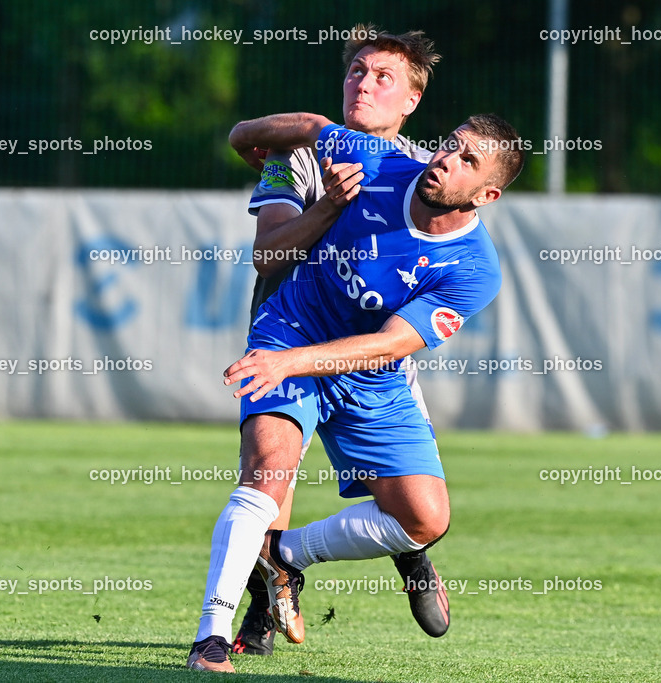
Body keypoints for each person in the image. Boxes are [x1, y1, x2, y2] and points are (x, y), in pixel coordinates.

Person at [187, 111, 525, 673]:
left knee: (424, 520)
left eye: (468, 160)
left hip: (368, 371)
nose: (445, 160)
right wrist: (250, 141)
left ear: (486, 194)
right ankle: (212, 636)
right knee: (268, 470)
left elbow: (391, 346)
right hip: (293, 329)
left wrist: (288, 364)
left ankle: (282, 555)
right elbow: (310, 127)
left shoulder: (476, 267)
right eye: (450, 145)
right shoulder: (379, 161)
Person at [231, 25, 449, 657]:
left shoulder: (421, 175)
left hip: (367, 356)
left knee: (413, 504)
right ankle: (258, 620)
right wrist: (324, 193)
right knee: (269, 478)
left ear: (411, 101)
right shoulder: (298, 152)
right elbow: (268, 256)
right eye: (358, 69)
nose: (365, 82)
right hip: (288, 341)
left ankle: (412, 556)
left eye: (385, 77)